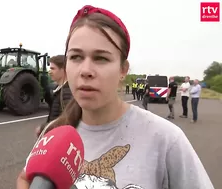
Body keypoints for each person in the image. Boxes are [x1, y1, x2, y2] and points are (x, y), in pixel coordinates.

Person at [17, 5, 213, 189]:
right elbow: (25, 178)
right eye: (76, 57)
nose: (85, 70)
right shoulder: (53, 131)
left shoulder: (166, 140)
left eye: (101, 58)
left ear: (123, 70)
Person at [35, 55, 72, 137]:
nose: (49, 72)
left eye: (53, 68)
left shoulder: (66, 92)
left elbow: (65, 120)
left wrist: (43, 128)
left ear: (63, 70)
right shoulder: (58, 90)